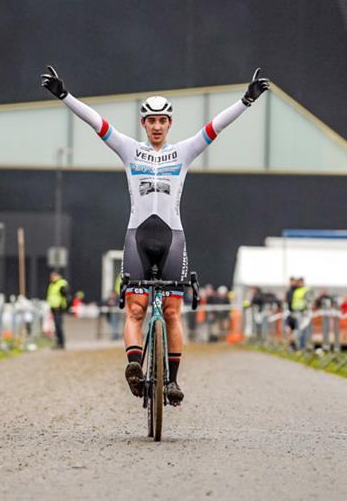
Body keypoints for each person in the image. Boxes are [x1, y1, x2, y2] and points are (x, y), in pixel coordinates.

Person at [42, 65, 269, 403]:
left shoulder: (184, 152)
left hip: (172, 240)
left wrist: (246, 101)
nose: (158, 126)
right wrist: (65, 95)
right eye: (152, 120)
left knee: (174, 311)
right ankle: (135, 365)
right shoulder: (129, 149)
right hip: (138, 238)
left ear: (170, 124)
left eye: (163, 120)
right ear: (144, 124)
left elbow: (215, 126)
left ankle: (172, 381)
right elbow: (96, 122)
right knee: (136, 309)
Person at [46, 271, 69, 349]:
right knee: (56, 326)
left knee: (58, 326)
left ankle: (61, 343)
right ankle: (58, 342)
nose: (52, 278)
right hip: (53, 308)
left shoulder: (61, 283)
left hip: (59, 308)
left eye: (53, 276)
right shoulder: (52, 285)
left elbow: (65, 294)